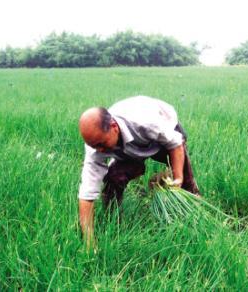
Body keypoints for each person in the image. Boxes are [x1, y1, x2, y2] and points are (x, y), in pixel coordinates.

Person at [78, 95, 199, 245]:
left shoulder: (146, 121)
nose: (99, 150)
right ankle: (113, 221)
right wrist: (89, 241)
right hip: (130, 146)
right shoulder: (96, 145)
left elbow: (175, 144)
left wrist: (178, 179)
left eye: (101, 144)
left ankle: (194, 217)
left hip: (164, 134)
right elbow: (87, 194)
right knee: (113, 178)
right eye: (94, 146)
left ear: (114, 127)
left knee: (185, 181)